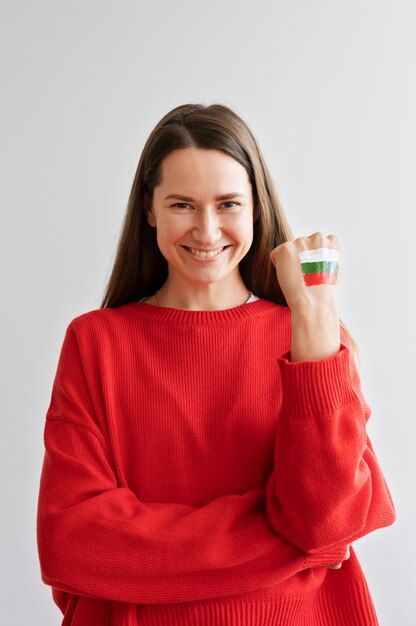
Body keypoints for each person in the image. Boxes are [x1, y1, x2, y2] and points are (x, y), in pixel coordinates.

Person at [36, 103, 396, 626]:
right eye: (182, 204)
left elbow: (324, 521)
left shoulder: (313, 341)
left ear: (255, 208)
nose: (207, 231)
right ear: (149, 209)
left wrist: (314, 322)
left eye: (228, 204)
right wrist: (289, 543)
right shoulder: (96, 343)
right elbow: (72, 542)